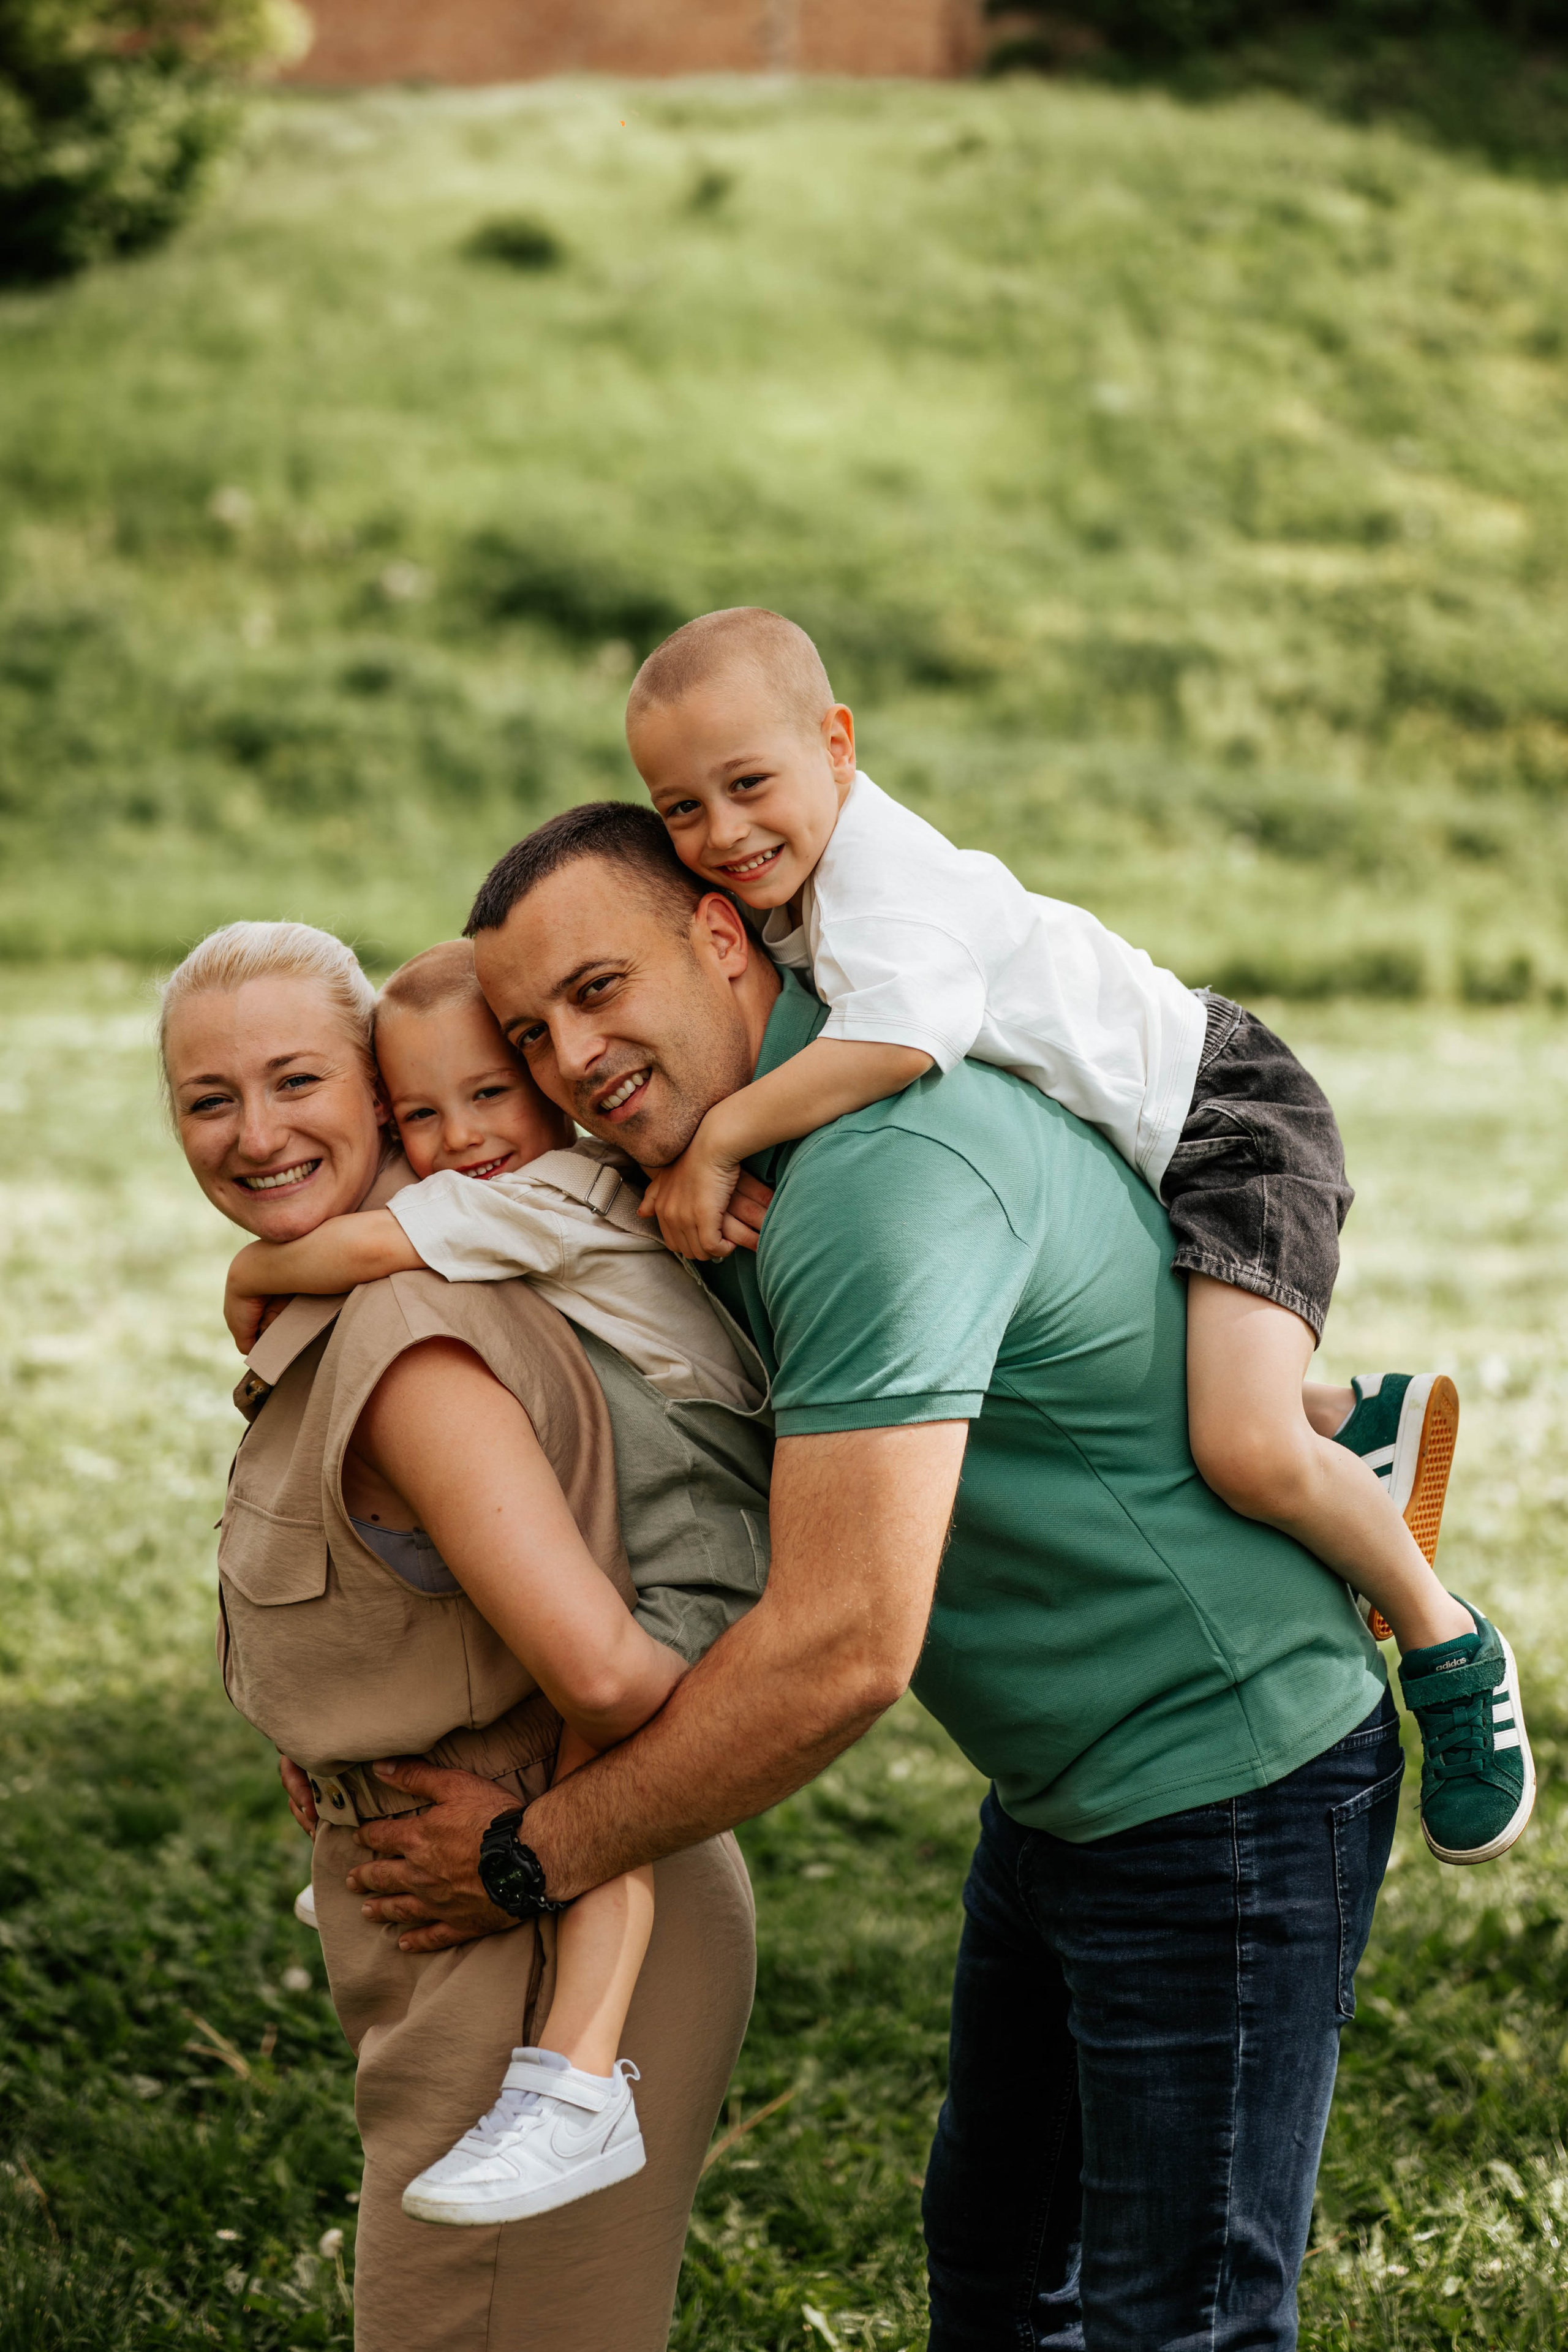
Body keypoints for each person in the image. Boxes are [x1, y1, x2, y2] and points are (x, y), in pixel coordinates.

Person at [342, 805, 1523, 2346]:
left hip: (1224, 1788)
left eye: (597, 988)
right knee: (994, 2284)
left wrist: (531, 1853)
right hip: (1057, 1796)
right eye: (531, 1030)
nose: (568, 1058)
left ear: (719, 938)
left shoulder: (877, 1177)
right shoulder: (710, 1158)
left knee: (1176, 2323)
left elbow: (841, 1651)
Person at [620, 606, 1531, 1869]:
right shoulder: (791, 882)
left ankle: (1445, 1640)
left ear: (836, 744)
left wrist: (718, 1139)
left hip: (1227, 1117)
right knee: (1152, 1374)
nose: (721, 834)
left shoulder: (885, 890)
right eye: (679, 811)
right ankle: (1350, 1426)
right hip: (1147, 1124)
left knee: (1237, 1446)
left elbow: (900, 1040)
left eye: (747, 785)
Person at [161, 919, 758, 2352]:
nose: (254, 1136)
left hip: (532, 1916)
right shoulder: (363, 1300)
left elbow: (612, 1675)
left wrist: (518, 1839)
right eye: (206, 1099)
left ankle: (577, 2084)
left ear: (373, 1088)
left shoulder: (408, 1338)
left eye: (298, 1081)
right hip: (456, 1916)